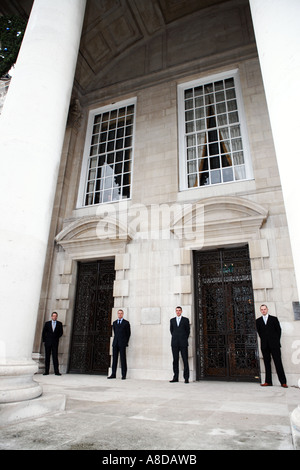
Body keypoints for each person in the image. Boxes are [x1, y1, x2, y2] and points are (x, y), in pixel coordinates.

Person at [256, 304, 288, 388]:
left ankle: (283, 382)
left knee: (278, 363)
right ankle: (268, 381)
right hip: (265, 345)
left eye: (264, 309)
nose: (263, 311)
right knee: (267, 363)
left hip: (275, 345)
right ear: (260, 311)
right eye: (262, 309)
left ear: (267, 309)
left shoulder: (274, 319)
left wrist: (275, 341)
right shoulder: (258, 321)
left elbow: (279, 331)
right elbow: (259, 333)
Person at [108, 309, 131, 380]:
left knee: (123, 359)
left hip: (122, 343)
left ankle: (124, 374)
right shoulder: (114, 323)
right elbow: (115, 332)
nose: (120, 314)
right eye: (119, 313)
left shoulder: (126, 323)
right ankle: (113, 374)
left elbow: (128, 334)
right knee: (114, 359)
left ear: (123, 314)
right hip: (115, 343)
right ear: (117, 314)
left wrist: (125, 342)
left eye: (121, 313)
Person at [170, 306, 190, 383]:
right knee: (175, 360)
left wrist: (183, 338)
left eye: (179, 310)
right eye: (177, 310)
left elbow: (187, 331)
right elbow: (171, 331)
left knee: (185, 360)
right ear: (175, 311)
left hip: (183, 343)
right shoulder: (172, 320)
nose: (178, 312)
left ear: (181, 311)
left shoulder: (185, 320)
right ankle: (175, 377)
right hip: (174, 343)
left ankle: (186, 378)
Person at [42, 311, 63, 376]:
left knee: (55, 357)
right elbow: (44, 333)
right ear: (51, 317)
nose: (54, 317)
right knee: (47, 357)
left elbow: (61, 333)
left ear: (57, 317)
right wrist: (44, 341)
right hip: (48, 342)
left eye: (55, 316)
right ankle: (46, 371)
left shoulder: (59, 324)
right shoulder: (47, 323)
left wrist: (56, 338)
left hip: (55, 342)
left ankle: (56, 371)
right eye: (53, 316)